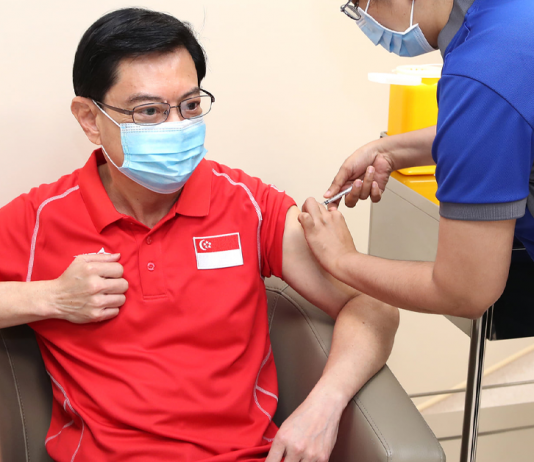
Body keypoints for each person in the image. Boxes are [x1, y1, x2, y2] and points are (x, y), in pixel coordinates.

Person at [0, 8, 399, 462]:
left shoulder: (248, 205)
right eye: (149, 111)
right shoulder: (41, 219)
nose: (176, 126)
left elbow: (374, 306)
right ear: (90, 119)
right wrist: (50, 298)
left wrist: (323, 407)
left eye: (189, 106)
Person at [299, 0, 534, 319]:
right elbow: (505, 121)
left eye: (358, 6)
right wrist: (391, 151)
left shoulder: (482, 68)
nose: (364, 20)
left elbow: (464, 291)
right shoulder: (509, 16)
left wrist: (341, 258)